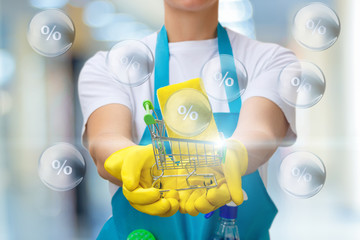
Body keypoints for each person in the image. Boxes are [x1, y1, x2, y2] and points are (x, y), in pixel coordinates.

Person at [78, 0, 297, 239]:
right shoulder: (110, 67)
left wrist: (236, 154)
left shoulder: (270, 60)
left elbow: (261, 131)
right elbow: (106, 139)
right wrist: (127, 159)